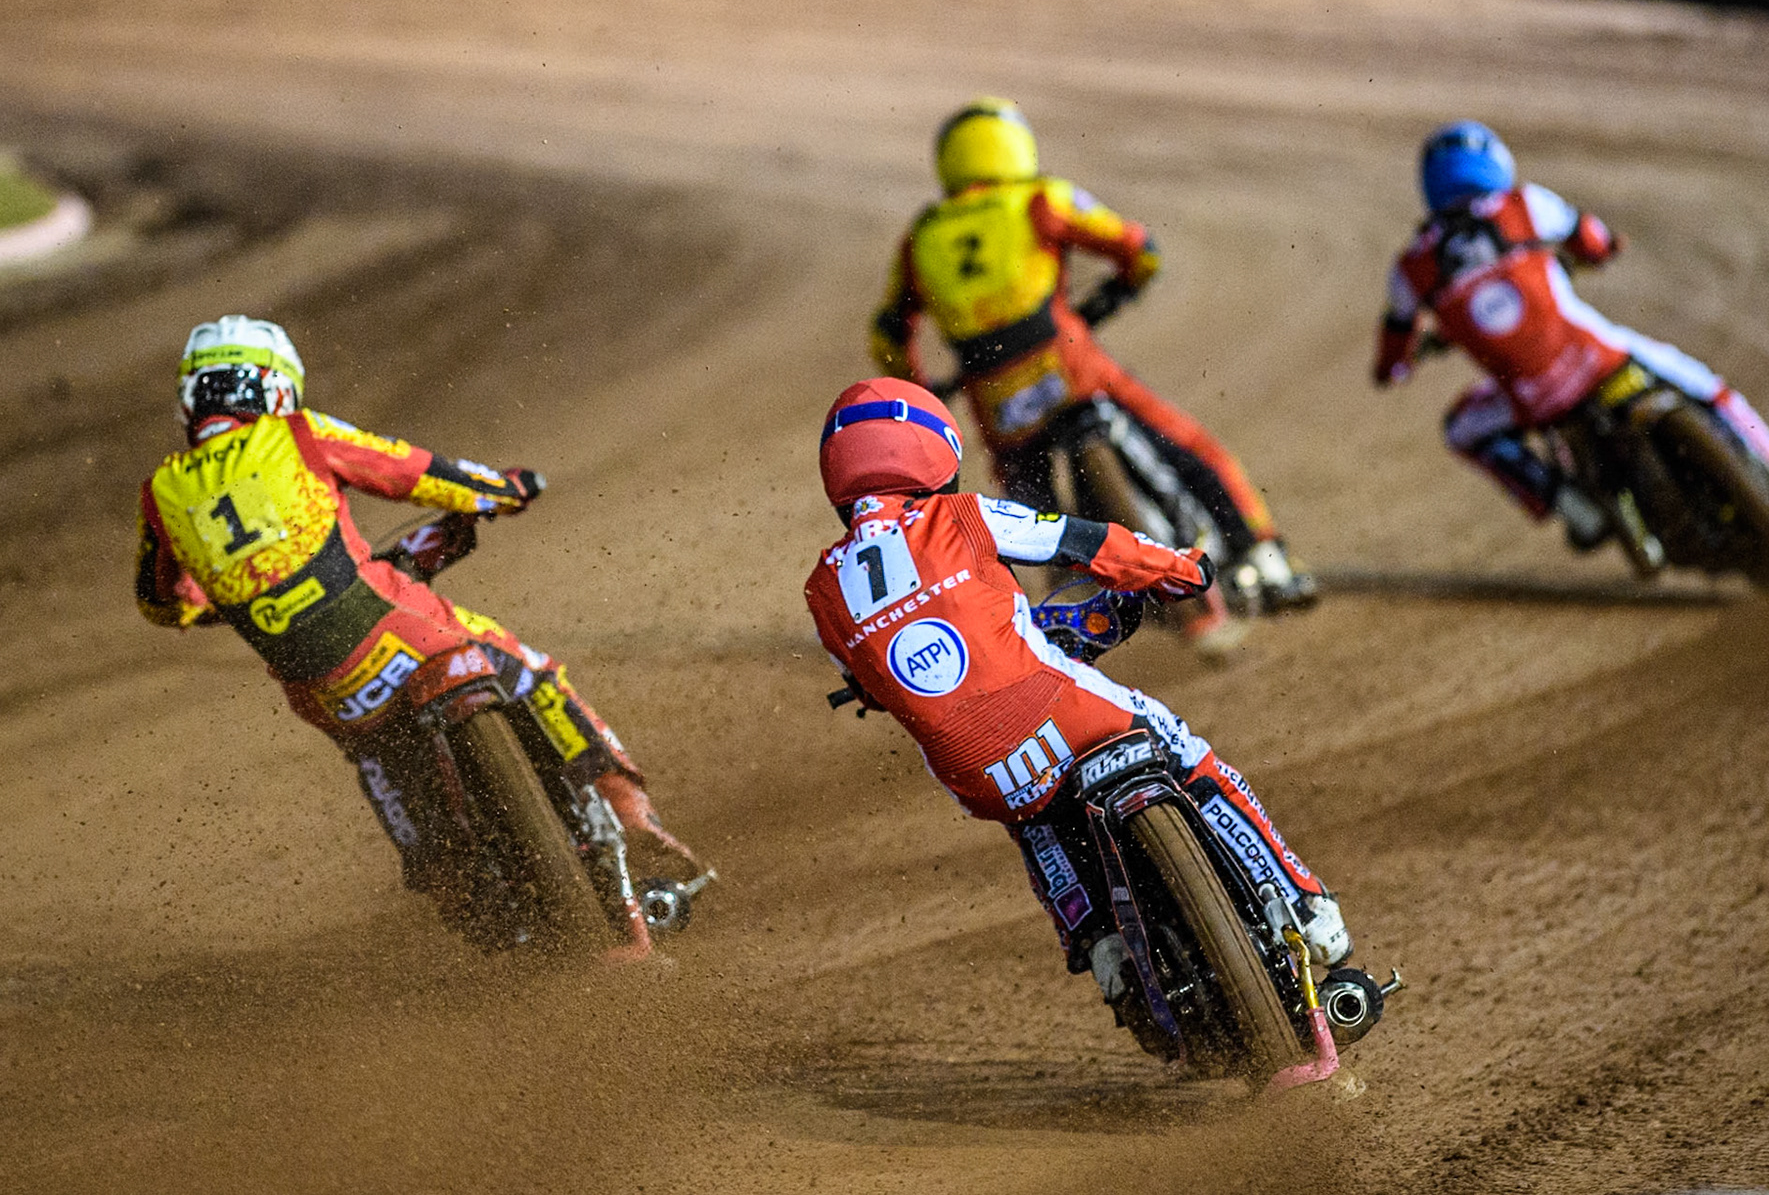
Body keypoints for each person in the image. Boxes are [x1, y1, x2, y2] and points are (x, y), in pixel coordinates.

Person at [803, 377, 1350, 1019]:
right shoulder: (960, 515)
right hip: (1063, 709)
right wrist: (1181, 570)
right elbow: (1084, 544)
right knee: (1183, 749)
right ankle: (1305, 904)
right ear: (932, 451)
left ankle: (1098, 945)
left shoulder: (822, 590)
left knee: (1030, 818)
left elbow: (868, 682)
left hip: (973, 772)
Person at [136, 315, 700, 924]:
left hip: (322, 691)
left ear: (192, 398)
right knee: (533, 671)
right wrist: (505, 489)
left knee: (378, 760)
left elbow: (161, 602)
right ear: (274, 387)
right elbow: (416, 472)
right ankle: (629, 813)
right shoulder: (298, 435)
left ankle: (452, 884)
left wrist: (236, 592)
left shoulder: (161, 493)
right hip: (396, 635)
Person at [868, 96, 1317, 627]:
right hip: (1068, 364)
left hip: (990, 395)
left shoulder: (920, 238)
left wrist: (918, 386)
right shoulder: (1041, 199)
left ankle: (1041, 620)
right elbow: (1139, 248)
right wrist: (1116, 294)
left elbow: (888, 333)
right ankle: (1264, 557)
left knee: (1027, 507)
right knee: (1188, 444)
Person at [1374, 120, 1769, 551]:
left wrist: (1401, 364)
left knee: (1461, 430)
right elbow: (1593, 240)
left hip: (1531, 400)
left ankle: (1573, 508)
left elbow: (1393, 357)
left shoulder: (1411, 268)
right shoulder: (1525, 205)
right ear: (1494, 162)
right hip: (1600, 358)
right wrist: (1601, 251)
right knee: (1713, 390)